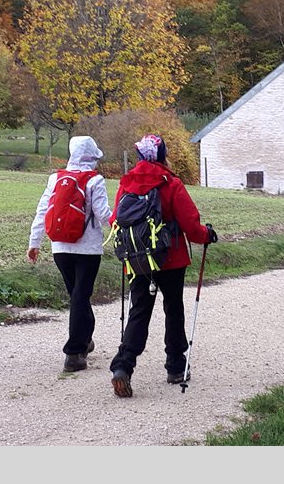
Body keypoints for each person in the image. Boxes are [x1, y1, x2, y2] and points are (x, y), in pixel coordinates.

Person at [109, 134, 217, 398]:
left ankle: (123, 366)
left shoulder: (127, 184)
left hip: (137, 259)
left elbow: (115, 218)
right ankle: (176, 368)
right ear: (162, 155)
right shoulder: (171, 183)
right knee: (173, 309)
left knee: (139, 311)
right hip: (171, 258)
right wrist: (207, 235)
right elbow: (191, 225)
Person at [27, 136, 112, 373]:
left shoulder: (55, 178)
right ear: (93, 156)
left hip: (60, 248)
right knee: (81, 297)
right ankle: (74, 354)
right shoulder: (95, 180)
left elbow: (42, 211)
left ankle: (85, 339)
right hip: (88, 250)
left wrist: (35, 242)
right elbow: (103, 214)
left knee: (78, 296)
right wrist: (123, 223)